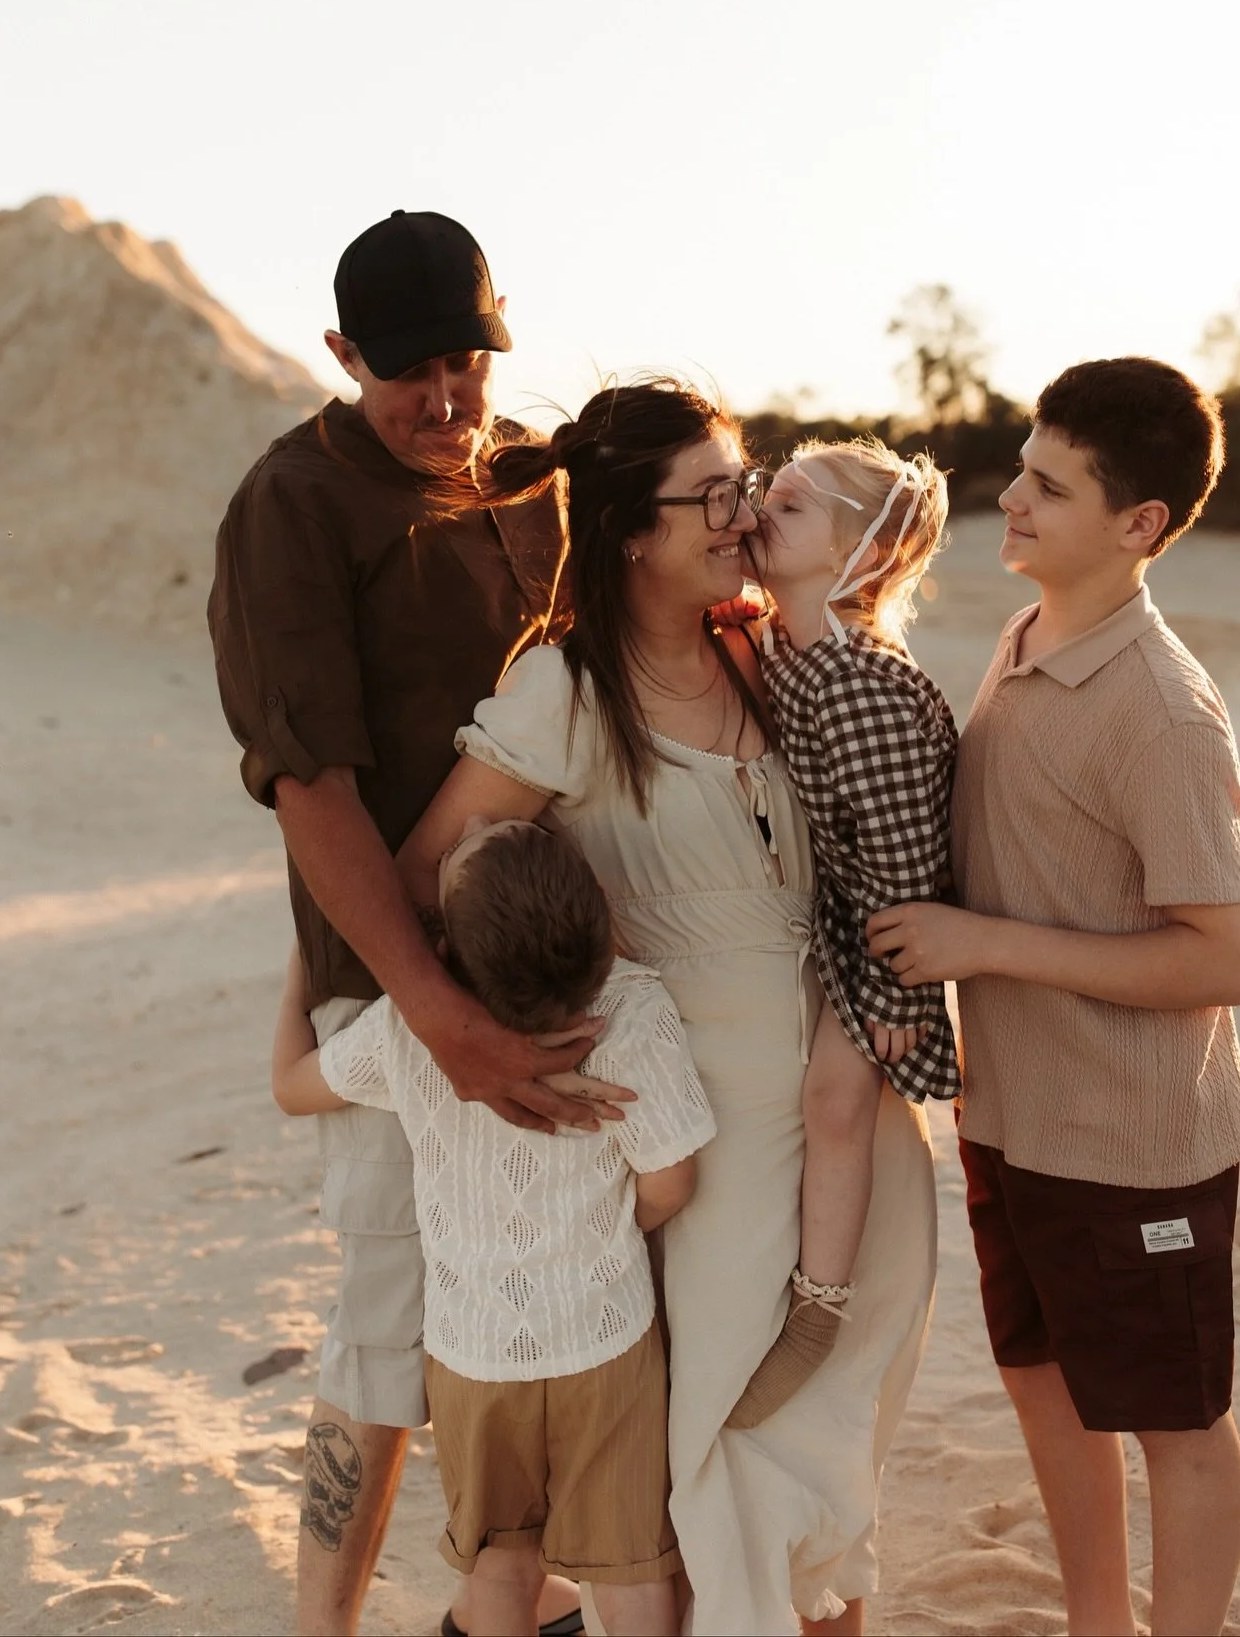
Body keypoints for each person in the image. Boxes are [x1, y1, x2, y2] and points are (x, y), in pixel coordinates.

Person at [398, 380, 938, 1636]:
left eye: (747, 485)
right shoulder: (567, 698)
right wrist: (512, 1034)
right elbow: (439, 874)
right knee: (723, 1466)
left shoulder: (771, 659)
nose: (744, 514)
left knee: (826, 1478)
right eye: (714, 495)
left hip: (854, 1125)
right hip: (710, 1155)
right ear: (634, 532)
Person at [208, 210, 604, 1637]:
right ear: (338, 355)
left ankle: (508, 1588)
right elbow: (309, 787)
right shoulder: (292, 505)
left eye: (466, 361)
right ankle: (324, 1621)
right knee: (389, 1302)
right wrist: (432, 1016)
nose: (444, 401)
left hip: (553, 954)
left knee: (544, 1282)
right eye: (406, 372)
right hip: (390, 984)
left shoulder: (530, 481)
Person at [868, 357, 1240, 1637]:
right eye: (1023, 467)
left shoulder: (1164, 709)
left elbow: (1223, 960)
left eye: (1049, 484)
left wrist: (984, 941)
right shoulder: (1024, 635)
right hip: (1013, 1121)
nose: (1013, 499)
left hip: (1137, 1144)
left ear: (1138, 524)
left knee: (1176, 1425)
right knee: (1044, 1385)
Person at [272, 815, 716, 1637]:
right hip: (605, 1344)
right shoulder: (633, 1009)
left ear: (444, 951)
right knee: (628, 1571)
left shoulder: (415, 1029)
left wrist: (305, 963)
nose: (474, 818)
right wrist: (619, 1230)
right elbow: (673, 1177)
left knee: (501, 1569)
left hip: (473, 1357)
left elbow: (292, 1085)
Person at [724, 439, 960, 1430]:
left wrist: (901, 993)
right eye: (763, 493)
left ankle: (817, 1307)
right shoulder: (788, 643)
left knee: (834, 1095)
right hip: (835, 916)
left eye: (790, 504)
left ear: (860, 552)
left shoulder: (857, 676)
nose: (758, 511)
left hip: (883, 933)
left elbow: (908, 860)